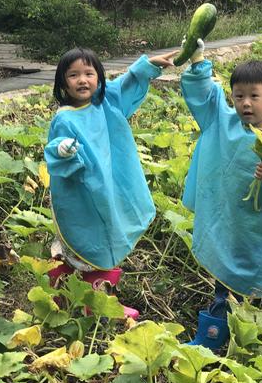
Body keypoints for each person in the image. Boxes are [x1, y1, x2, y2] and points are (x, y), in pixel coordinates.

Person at [179, 41, 262, 350]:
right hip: (228, 229)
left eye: (254, 96)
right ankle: (211, 338)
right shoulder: (222, 124)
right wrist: (199, 61)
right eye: (238, 96)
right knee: (223, 286)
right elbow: (205, 96)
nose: (246, 104)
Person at [45, 47, 178, 320]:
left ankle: (65, 289)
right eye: (73, 75)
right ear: (62, 83)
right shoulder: (65, 118)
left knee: (105, 237)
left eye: (89, 74)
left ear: (99, 78)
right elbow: (55, 148)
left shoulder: (105, 103)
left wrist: (147, 66)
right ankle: (98, 301)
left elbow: (126, 85)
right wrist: (65, 149)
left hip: (109, 188)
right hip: (82, 193)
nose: (82, 80)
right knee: (90, 241)